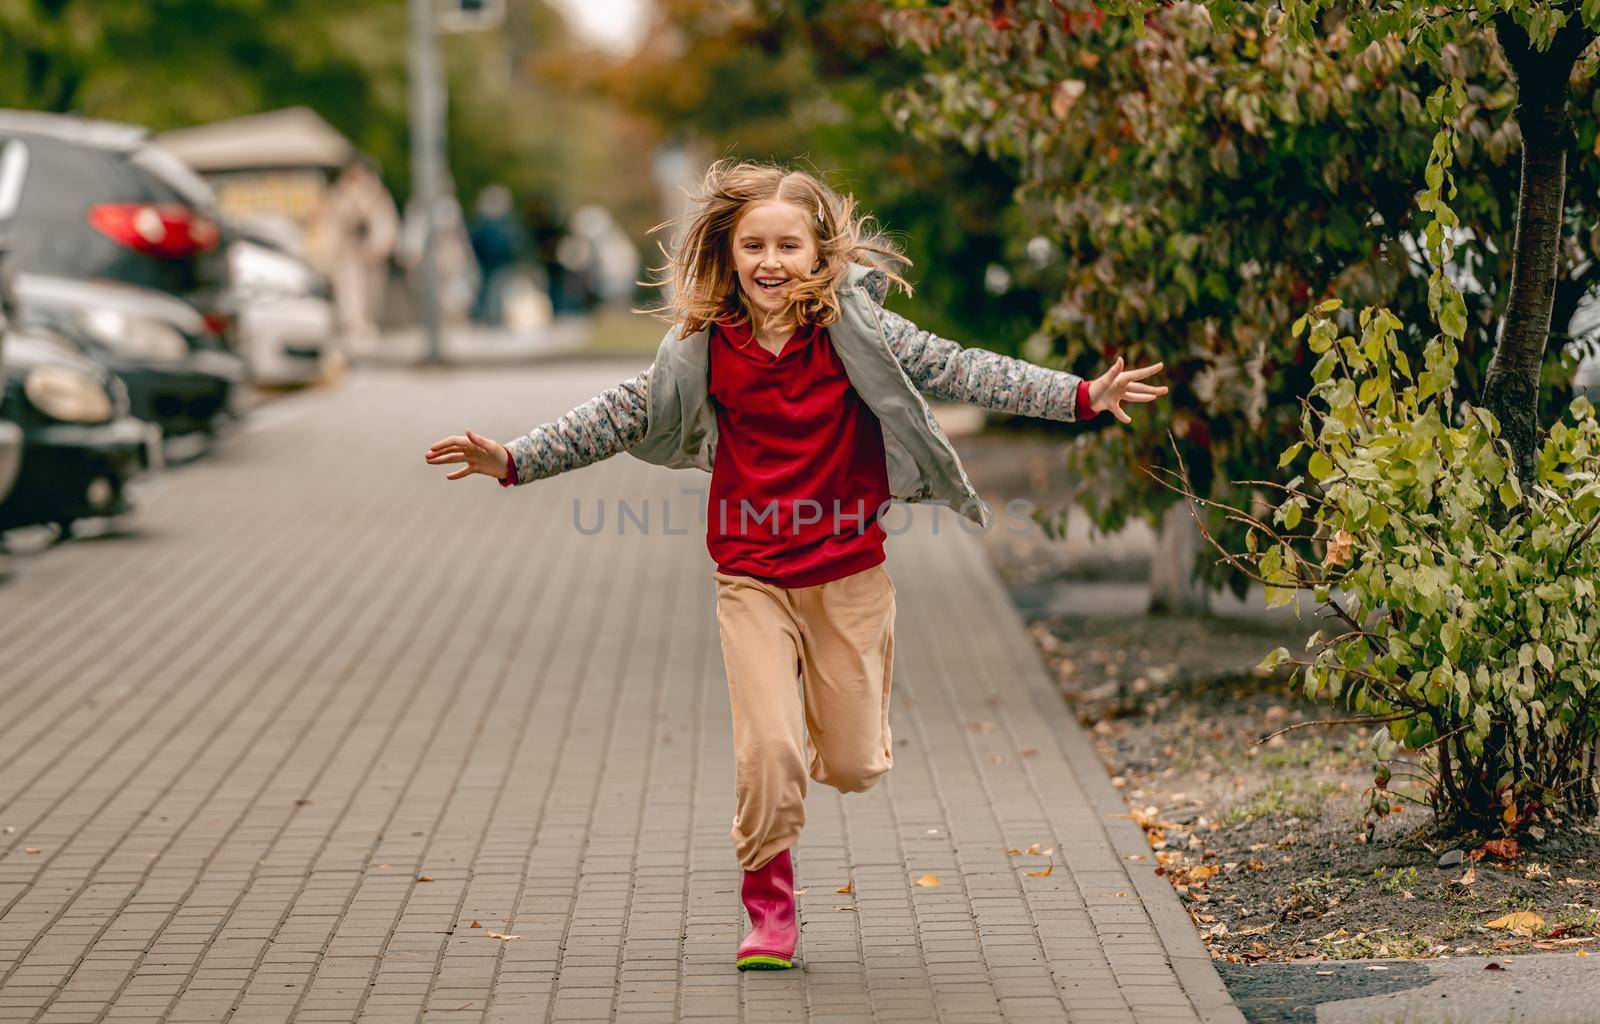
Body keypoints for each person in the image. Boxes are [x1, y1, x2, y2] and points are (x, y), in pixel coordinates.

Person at [423, 160, 1166, 971]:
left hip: (848, 572)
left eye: (788, 245)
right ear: (728, 253)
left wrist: (1081, 396)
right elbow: (621, 411)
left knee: (850, 763)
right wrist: (515, 458)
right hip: (751, 577)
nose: (770, 262)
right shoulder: (704, 346)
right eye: (753, 246)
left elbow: (963, 369)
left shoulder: (861, 333)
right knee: (768, 753)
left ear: (820, 254)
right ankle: (768, 906)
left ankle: (828, 732)